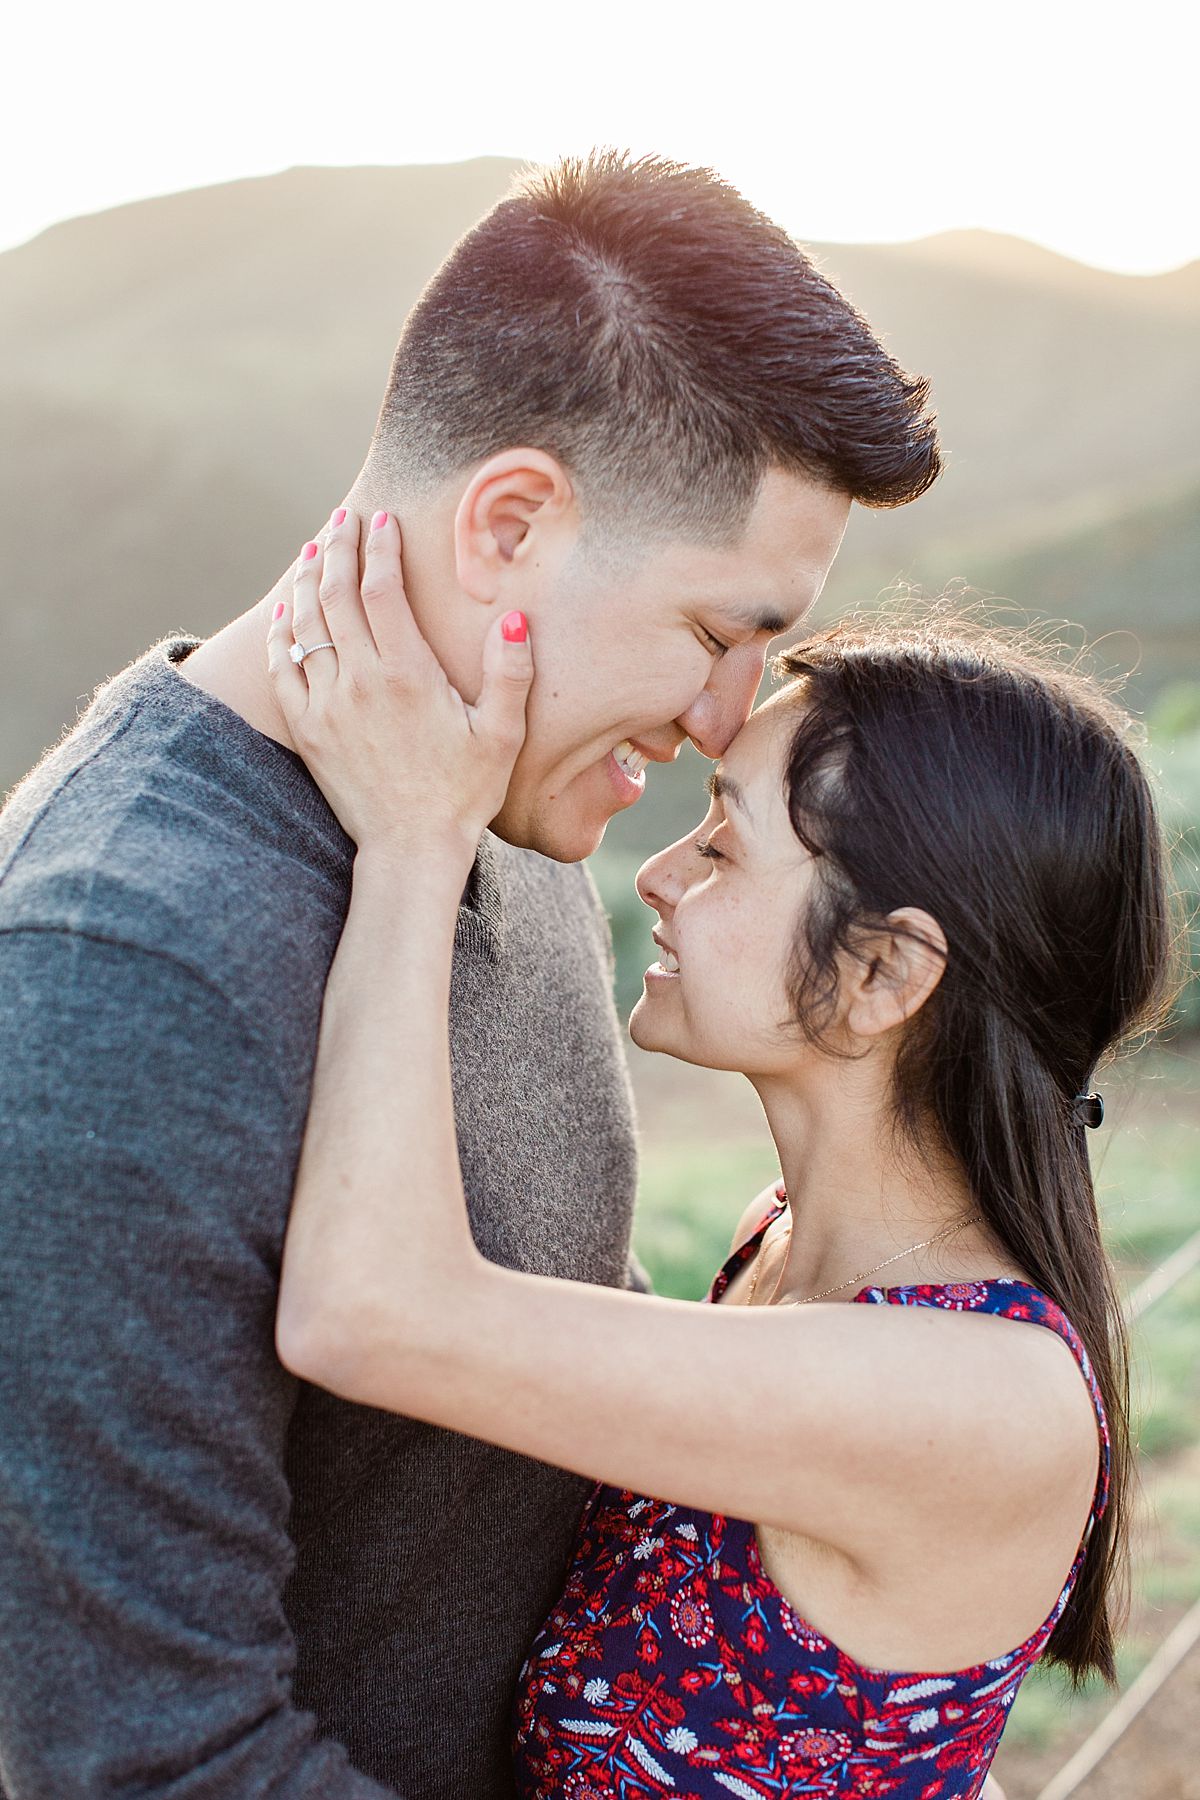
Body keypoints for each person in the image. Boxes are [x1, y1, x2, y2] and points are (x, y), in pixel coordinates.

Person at [0, 155, 940, 1798]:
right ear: (509, 525)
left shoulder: (499, 805)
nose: (729, 722)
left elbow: (544, 1345)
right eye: (722, 634)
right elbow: (154, 1764)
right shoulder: (117, 975)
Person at [269, 529, 1177, 1798]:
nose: (659, 875)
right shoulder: (785, 1241)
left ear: (882, 975)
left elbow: (367, 1314)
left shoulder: (971, 1406)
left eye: (722, 841)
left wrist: (417, 840)